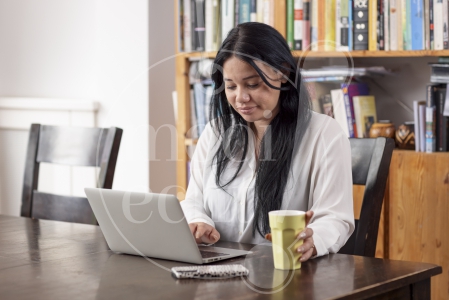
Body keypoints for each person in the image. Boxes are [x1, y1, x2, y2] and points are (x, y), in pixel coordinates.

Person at [181, 22, 354, 262]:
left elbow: (335, 217)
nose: (240, 98)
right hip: (220, 276)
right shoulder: (215, 133)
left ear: (283, 73)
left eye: (252, 84)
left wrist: (314, 240)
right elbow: (193, 201)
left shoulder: (324, 133)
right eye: (230, 86)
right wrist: (198, 221)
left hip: (288, 276)